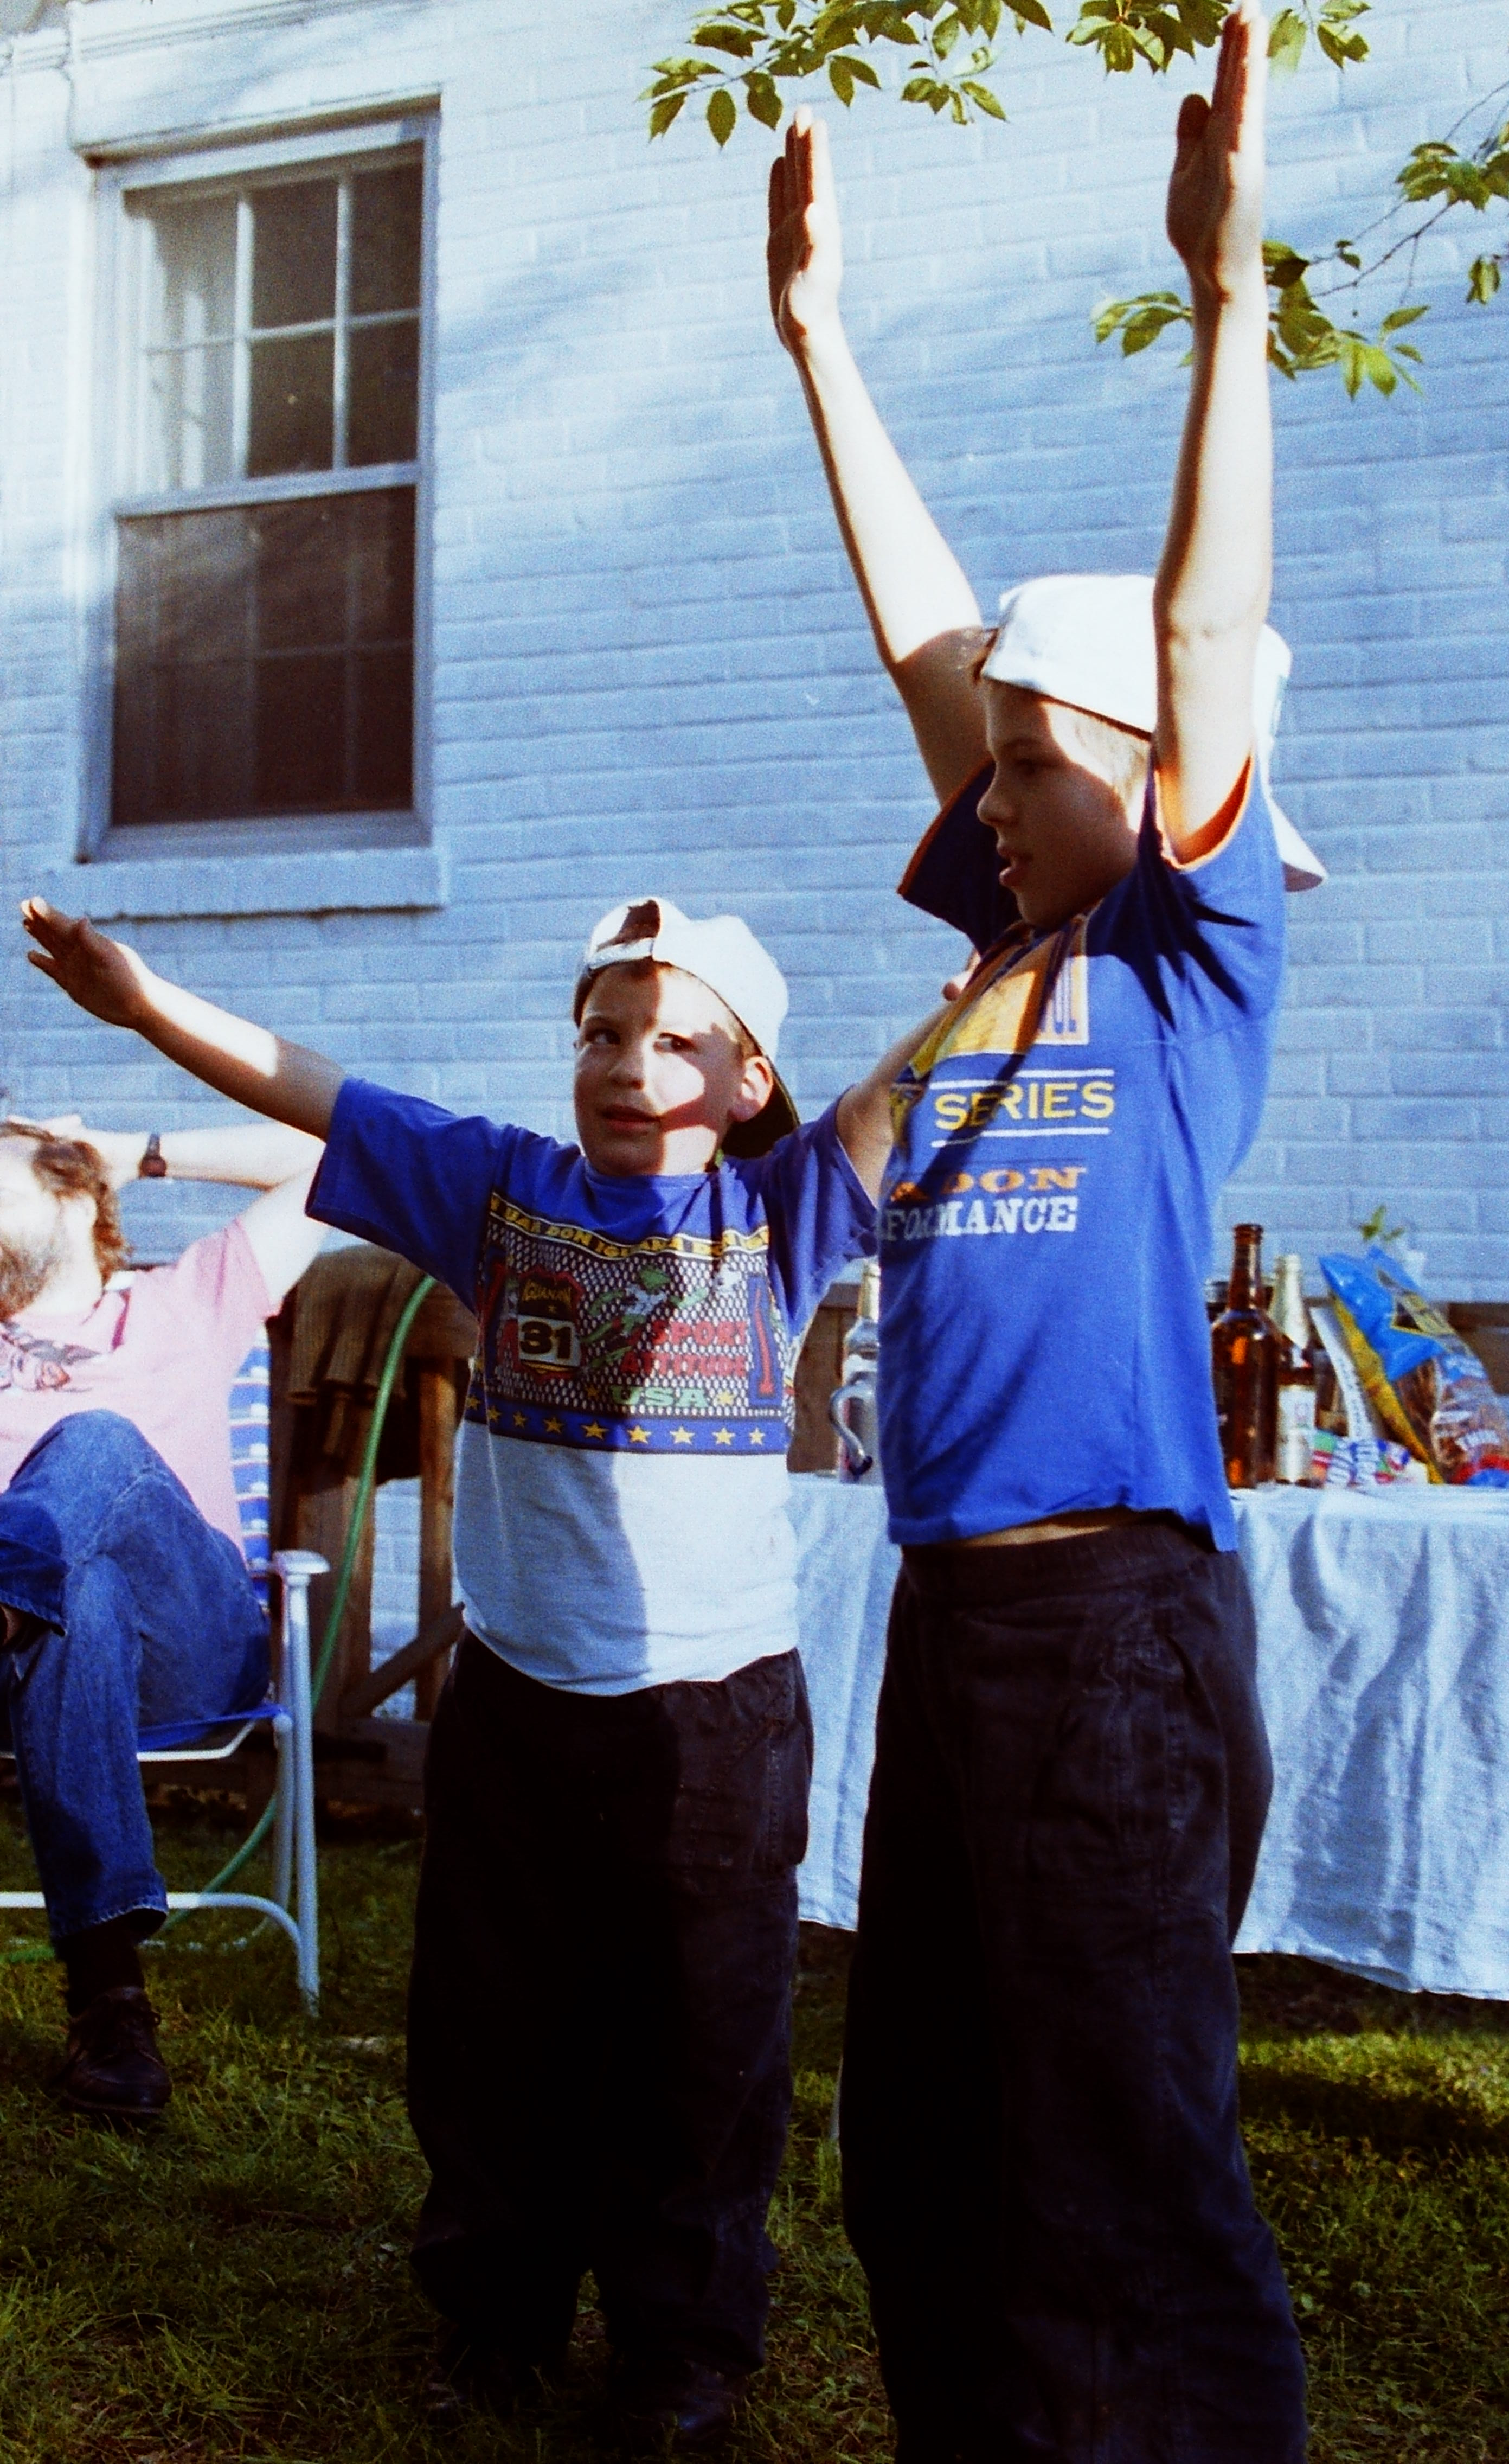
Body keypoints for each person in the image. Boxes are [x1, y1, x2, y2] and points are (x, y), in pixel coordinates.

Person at [17, 887, 935, 2448]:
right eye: (603, 1034)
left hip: (718, 1715)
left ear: (750, 1081)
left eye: (677, 1043)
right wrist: (147, 1002)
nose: (629, 1064)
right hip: (516, 1699)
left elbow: (898, 1094)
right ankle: (495, 2315)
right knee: (495, 2027)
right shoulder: (498, 1193)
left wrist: (1018, 961)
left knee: (704, 2040)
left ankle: (682, 2349)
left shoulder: (778, 1215)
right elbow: (312, 1089)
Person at [768, 0, 1313, 2463]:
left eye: (1025, 762)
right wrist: (818, 344)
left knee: (1118, 2174)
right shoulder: (1006, 939)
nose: (981, 793)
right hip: (960, 1620)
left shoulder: (1186, 960)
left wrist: (1227, 300)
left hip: (1113, 1631)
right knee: (930, 2157)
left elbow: (1191, 640)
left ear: (1157, 780)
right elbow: (928, 637)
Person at [0, 1114, 325, 2118]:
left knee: (96, 1439)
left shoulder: (188, 1300)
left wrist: (136, 1152)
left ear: (68, 1191)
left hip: (193, 1651)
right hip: (39, 1669)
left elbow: (326, 1158)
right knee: (79, 1597)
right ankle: (111, 2006)